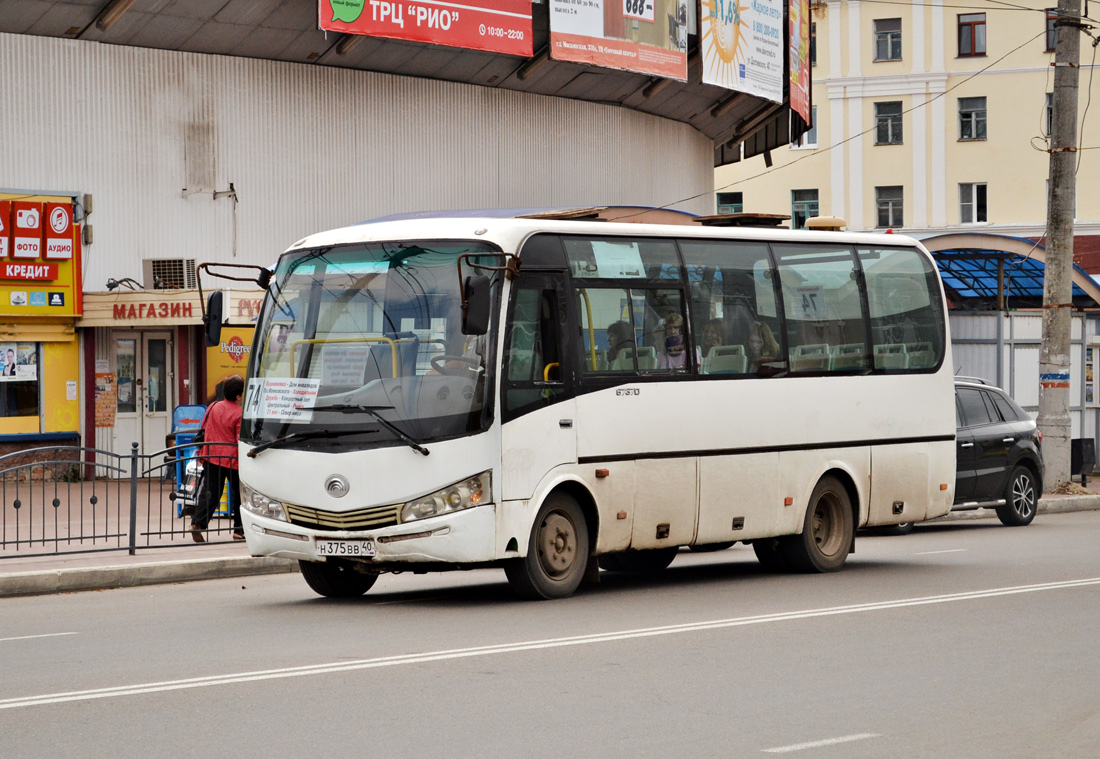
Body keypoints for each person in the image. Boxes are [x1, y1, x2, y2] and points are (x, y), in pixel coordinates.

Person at [190, 375, 245, 542]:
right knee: (240, 495)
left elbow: (204, 429)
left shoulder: (213, 406)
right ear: (238, 396)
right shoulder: (239, 413)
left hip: (212, 456)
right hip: (233, 460)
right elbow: (239, 439)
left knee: (210, 493)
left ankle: (197, 524)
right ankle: (239, 530)